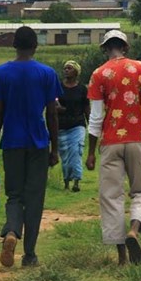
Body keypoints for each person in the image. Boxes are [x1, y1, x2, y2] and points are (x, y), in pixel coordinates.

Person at [0, 26, 62, 268]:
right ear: (35, 46)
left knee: (14, 195)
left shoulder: (2, 72)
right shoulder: (47, 73)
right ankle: (29, 255)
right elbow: (52, 114)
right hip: (38, 142)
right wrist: (55, 149)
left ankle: (12, 232)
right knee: (35, 198)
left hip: (11, 142)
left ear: (14, 45)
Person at [85, 30, 141, 265]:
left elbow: (95, 118)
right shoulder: (140, 68)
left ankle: (121, 256)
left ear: (106, 49)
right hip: (137, 138)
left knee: (111, 196)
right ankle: (134, 231)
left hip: (110, 141)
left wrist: (90, 153)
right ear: (125, 48)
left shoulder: (98, 74)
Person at [56, 60, 90, 192]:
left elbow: (86, 107)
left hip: (77, 125)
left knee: (76, 151)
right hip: (61, 125)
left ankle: (76, 181)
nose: (66, 70)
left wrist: (90, 124)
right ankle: (66, 182)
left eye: (69, 68)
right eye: (65, 68)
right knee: (64, 154)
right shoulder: (58, 87)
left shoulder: (82, 89)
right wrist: (57, 107)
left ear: (76, 72)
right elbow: (53, 102)